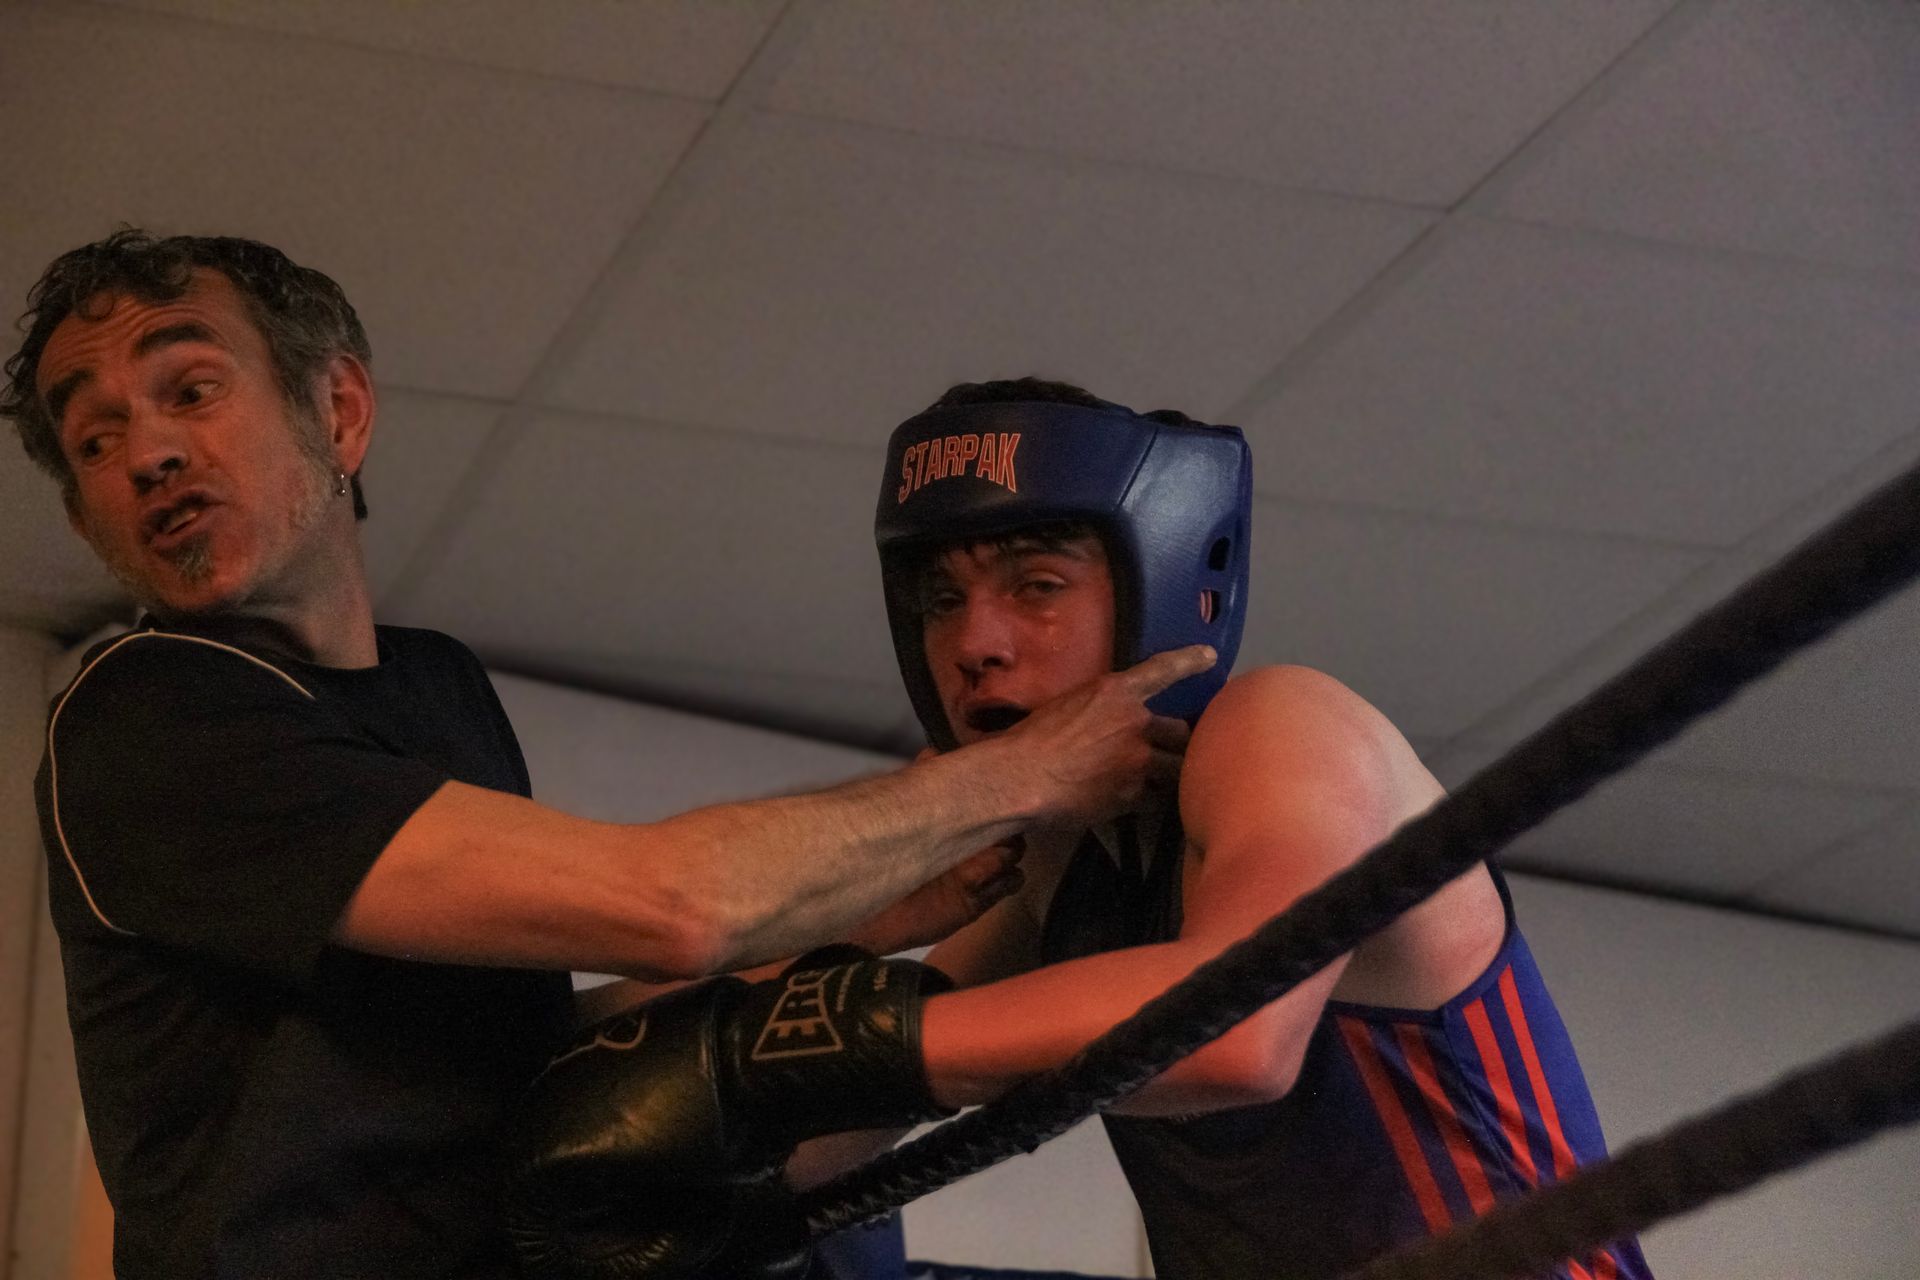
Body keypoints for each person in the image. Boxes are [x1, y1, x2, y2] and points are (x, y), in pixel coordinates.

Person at [0, 230, 1212, 1280]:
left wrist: (858, 918)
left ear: (340, 412)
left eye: (191, 390)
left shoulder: (434, 691)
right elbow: (671, 904)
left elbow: (515, 1046)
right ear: (85, 516)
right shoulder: (148, 714)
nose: (147, 453)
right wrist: (1020, 771)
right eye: (96, 440)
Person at [508, 379, 1654, 1279]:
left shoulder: (1286, 728)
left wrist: (814, 1050)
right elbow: (824, 1127)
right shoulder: (1061, 867)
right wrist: (830, 968)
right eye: (943, 598)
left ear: (1163, 583)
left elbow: (1237, 1031)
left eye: (1037, 584)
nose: (976, 641)